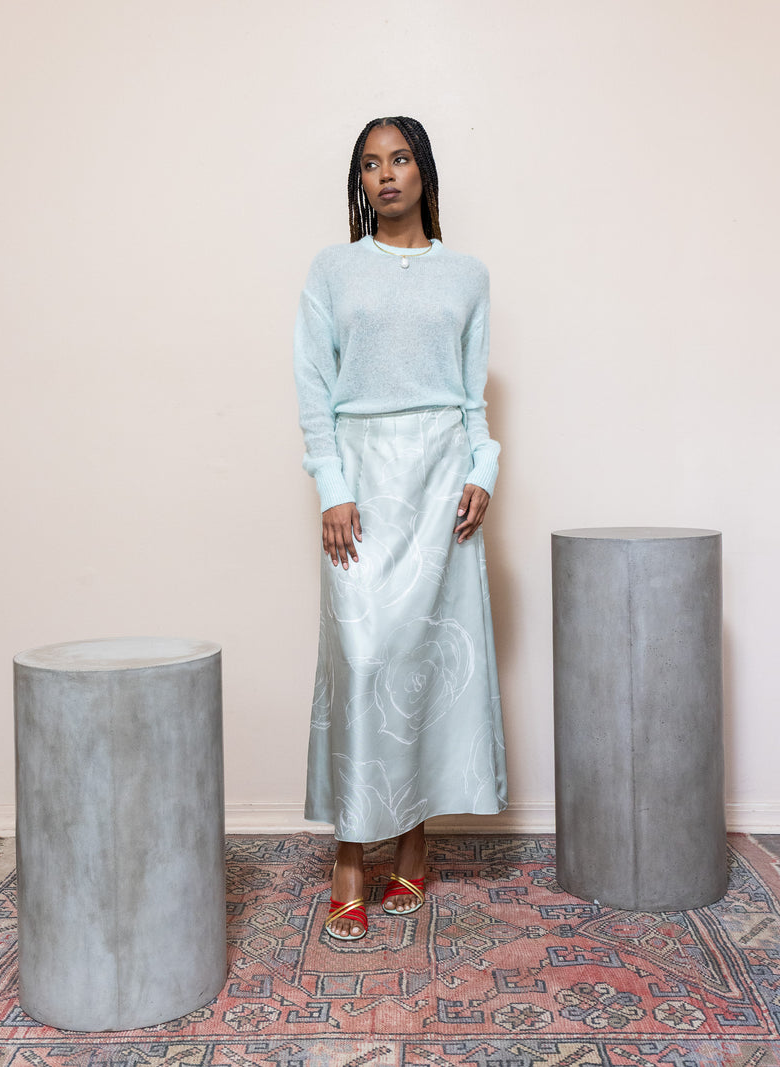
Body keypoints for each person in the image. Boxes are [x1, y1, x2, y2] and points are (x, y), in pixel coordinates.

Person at [294, 116, 507, 941]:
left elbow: (471, 396)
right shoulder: (333, 268)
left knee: (420, 663)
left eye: (401, 159)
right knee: (362, 659)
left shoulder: (468, 275)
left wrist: (483, 470)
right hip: (363, 476)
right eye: (371, 164)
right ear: (360, 181)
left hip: (442, 477)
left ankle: (413, 842)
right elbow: (314, 385)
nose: (386, 174)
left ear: (424, 173)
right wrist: (333, 486)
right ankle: (351, 854)